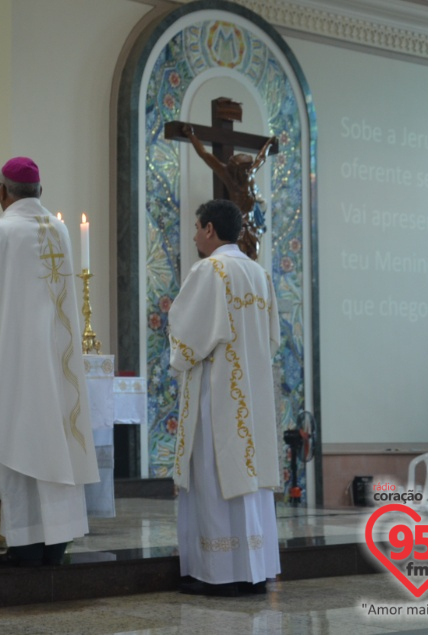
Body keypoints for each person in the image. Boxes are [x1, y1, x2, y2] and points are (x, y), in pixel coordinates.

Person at [0, 156, 100, 567]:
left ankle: (24, 544)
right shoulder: (59, 229)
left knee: (17, 440)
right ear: (40, 192)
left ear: (1, 192)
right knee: (54, 443)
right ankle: (56, 539)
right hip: (55, 360)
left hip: (12, 359)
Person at [168, 198, 281, 597]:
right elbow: (273, 338)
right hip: (254, 394)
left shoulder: (209, 270)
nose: (195, 235)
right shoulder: (258, 272)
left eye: (198, 227)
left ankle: (218, 573)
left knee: (214, 474)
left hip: (218, 393)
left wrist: (178, 356)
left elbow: (187, 334)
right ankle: (253, 570)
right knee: (248, 479)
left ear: (211, 229)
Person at [180, 121, 275, 260]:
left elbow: (261, 159)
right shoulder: (229, 178)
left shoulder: (249, 175)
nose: (246, 172)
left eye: (248, 169)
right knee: (239, 260)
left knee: (253, 258)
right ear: (236, 169)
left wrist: (269, 144)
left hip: (251, 224)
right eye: (243, 170)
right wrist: (191, 135)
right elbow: (205, 155)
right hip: (239, 225)